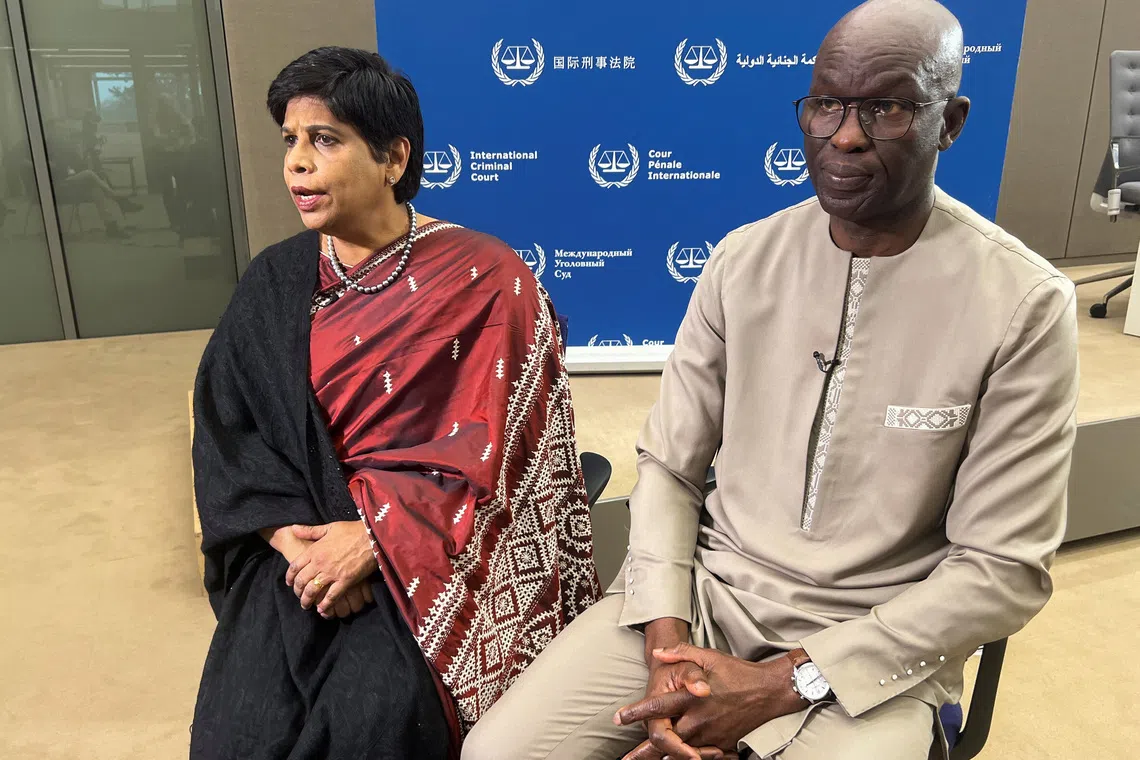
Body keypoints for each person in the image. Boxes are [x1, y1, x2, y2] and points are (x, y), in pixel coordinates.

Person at [463, 1, 1079, 759]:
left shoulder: (1022, 303)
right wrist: (669, 649)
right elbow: (669, 468)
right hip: (702, 599)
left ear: (949, 121)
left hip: (870, 644)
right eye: (827, 104)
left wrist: (785, 682)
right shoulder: (741, 262)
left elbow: (1001, 571)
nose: (845, 135)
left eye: (885, 107)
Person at [190, 46, 601, 760]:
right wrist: (291, 541)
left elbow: (508, 457)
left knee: (376, 722)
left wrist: (374, 538)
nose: (296, 163)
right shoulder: (274, 283)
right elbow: (230, 430)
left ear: (392, 157)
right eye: (289, 140)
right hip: (294, 551)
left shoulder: (485, 278)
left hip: (424, 560)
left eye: (325, 139)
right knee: (239, 731)